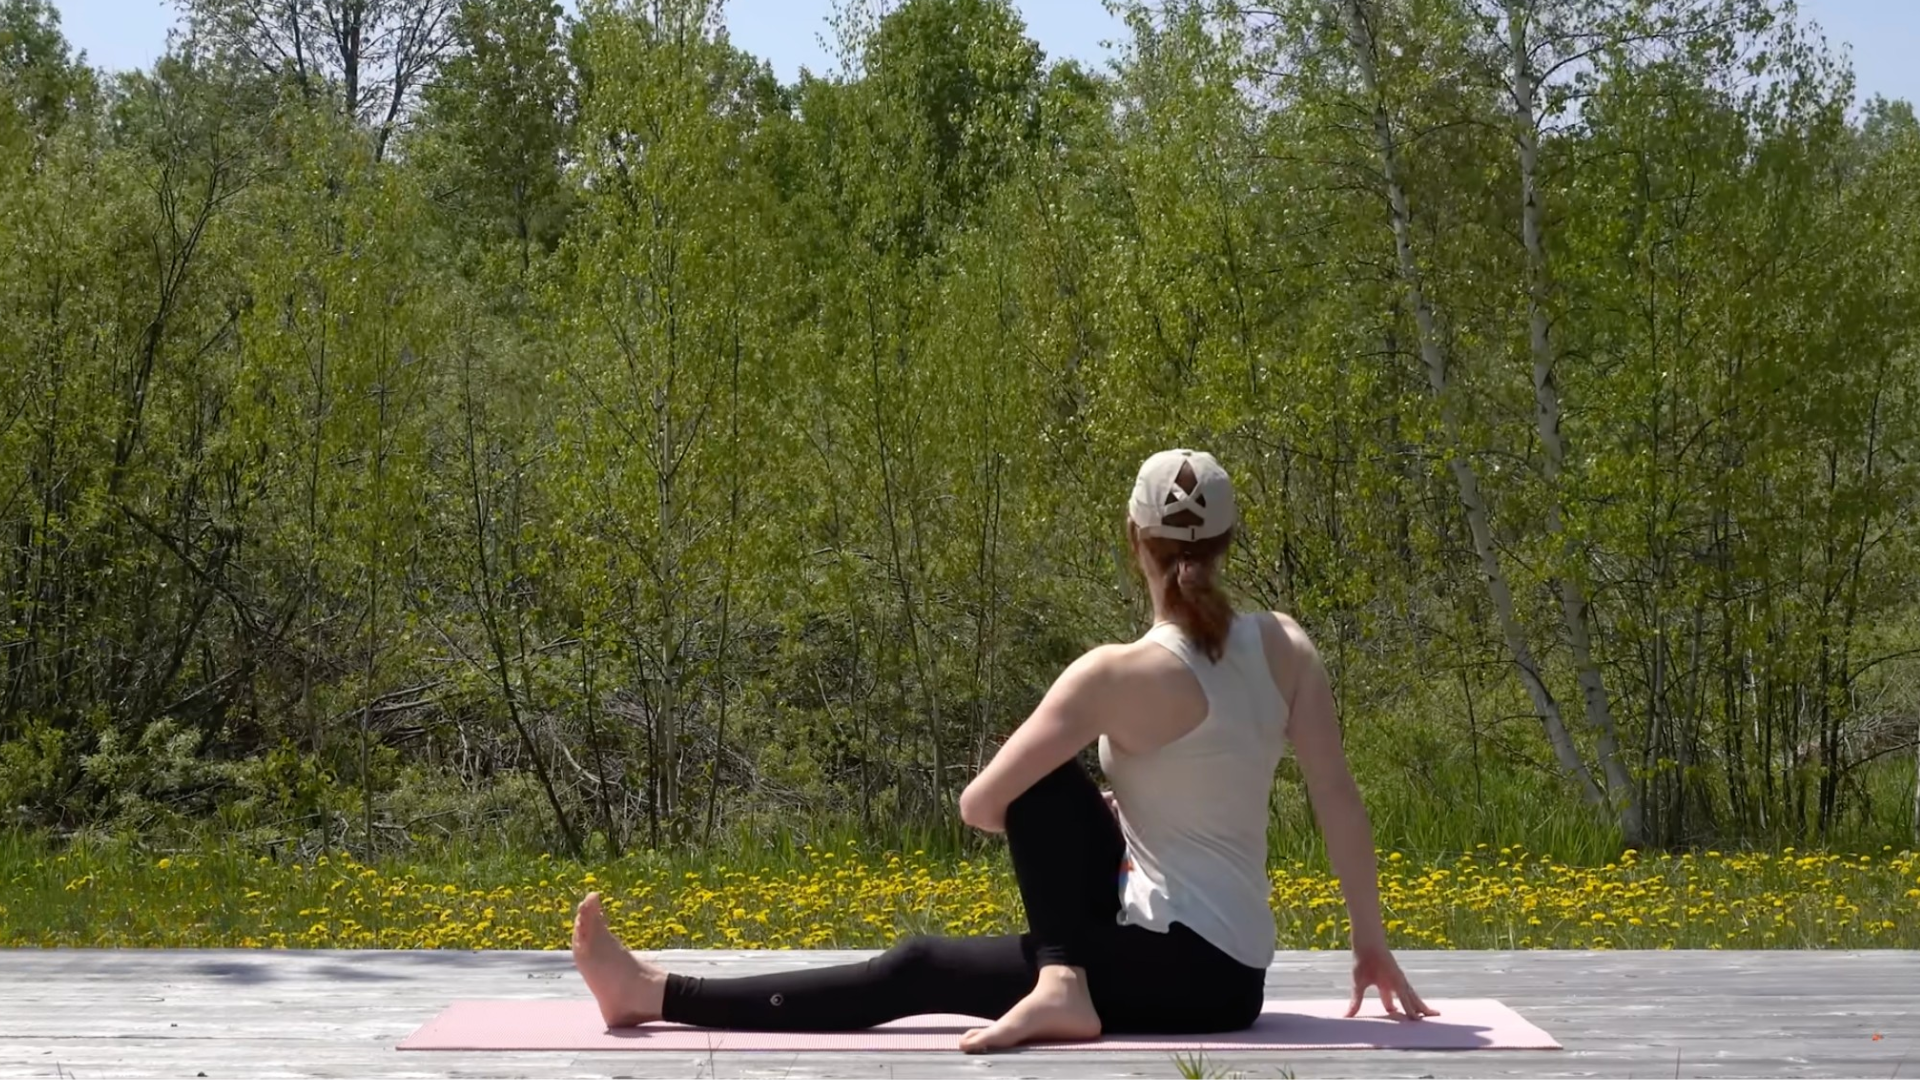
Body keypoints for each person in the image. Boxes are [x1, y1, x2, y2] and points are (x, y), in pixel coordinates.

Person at [571, 448, 1434, 1052]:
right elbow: (1337, 797)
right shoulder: (1285, 644)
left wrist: (1083, 812)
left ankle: (651, 996)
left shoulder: (1111, 674)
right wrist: (1371, 944)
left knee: (923, 962)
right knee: (1047, 800)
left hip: (1168, 968)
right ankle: (1065, 974)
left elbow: (981, 805)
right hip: (1234, 974)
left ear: (1133, 540)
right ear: (1228, 543)